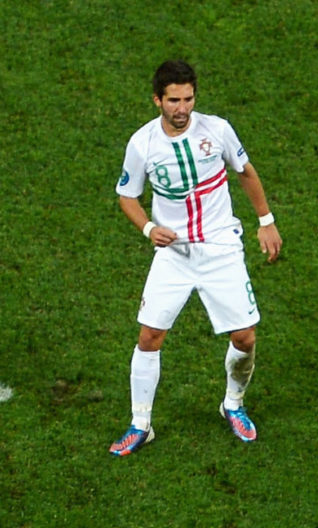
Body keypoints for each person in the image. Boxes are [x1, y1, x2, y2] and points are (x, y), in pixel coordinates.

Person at [112, 59, 283, 454]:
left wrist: (266, 220)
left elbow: (245, 172)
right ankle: (141, 424)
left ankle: (233, 405)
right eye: (173, 100)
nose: (182, 108)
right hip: (173, 255)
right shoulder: (142, 145)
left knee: (245, 337)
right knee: (149, 336)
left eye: (188, 99)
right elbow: (126, 195)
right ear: (157, 100)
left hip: (221, 247)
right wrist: (148, 229)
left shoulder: (217, 130)